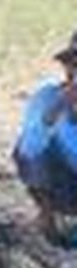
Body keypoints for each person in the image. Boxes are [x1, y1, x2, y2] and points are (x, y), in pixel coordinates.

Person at [14, 31, 77, 247]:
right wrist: (56, 109)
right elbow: (28, 151)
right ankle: (47, 216)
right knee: (34, 151)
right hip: (60, 183)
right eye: (73, 64)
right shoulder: (47, 95)